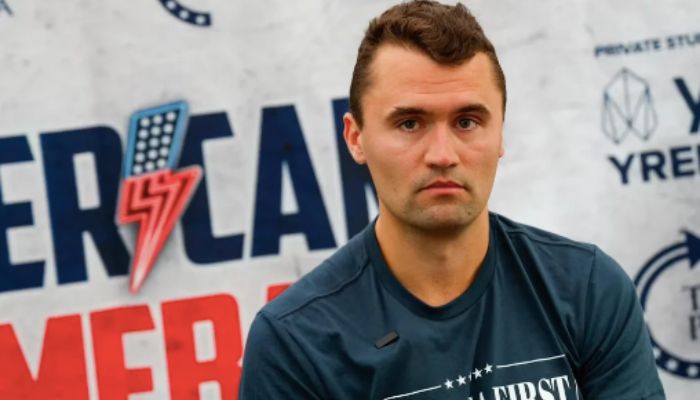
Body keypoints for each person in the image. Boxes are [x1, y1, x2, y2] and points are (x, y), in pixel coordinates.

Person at [239, 1, 665, 399]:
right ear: (356, 138)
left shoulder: (587, 289)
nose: (442, 155)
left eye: (467, 121)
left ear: (500, 133)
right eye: (409, 123)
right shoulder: (296, 341)